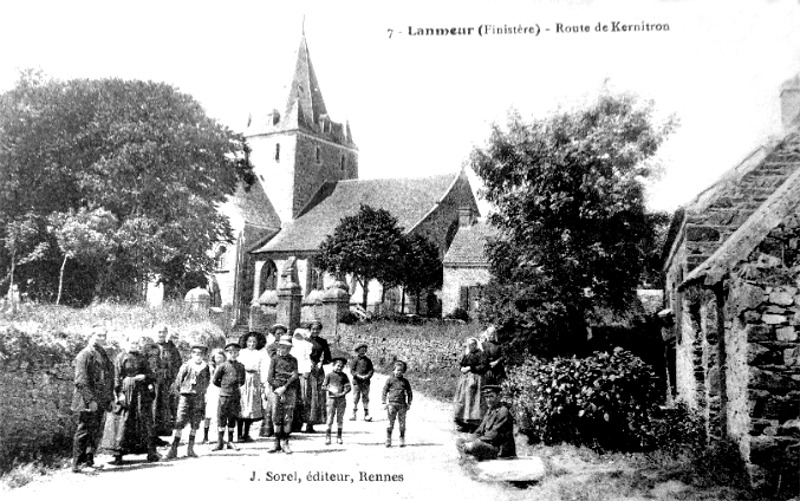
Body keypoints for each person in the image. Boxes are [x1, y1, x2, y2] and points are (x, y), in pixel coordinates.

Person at [101, 334, 160, 465]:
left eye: (136, 343)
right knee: (122, 420)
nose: (134, 345)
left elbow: (151, 374)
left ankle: (150, 453)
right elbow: (116, 376)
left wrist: (144, 376)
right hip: (126, 392)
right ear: (126, 343)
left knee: (144, 420)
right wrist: (119, 393)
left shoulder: (141, 357)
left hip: (141, 393)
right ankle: (118, 455)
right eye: (131, 343)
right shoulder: (121, 357)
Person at [71, 324, 115, 473]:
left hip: (101, 399)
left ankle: (89, 460)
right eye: (99, 335)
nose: (102, 338)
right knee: (83, 430)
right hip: (88, 400)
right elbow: (80, 381)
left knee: (95, 430)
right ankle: (77, 464)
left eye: (104, 335)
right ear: (91, 336)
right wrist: (90, 400)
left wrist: (109, 398)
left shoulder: (102, 353)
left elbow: (109, 376)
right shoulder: (84, 355)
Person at [166, 344, 211, 459]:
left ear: (204, 356)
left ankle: (190, 448)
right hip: (185, 397)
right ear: (192, 354)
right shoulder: (186, 366)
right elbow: (178, 382)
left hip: (198, 397)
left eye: (201, 354)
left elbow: (207, 381)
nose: (198, 356)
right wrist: (182, 392)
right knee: (180, 421)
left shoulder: (205, 367)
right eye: (195, 353)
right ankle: (174, 448)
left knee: (195, 422)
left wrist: (201, 391)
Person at [456, 385, 516, 461]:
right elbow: (480, 430)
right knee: (460, 441)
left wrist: (475, 442)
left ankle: (469, 457)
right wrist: (470, 438)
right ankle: (467, 457)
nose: (488, 400)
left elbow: (493, 435)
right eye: (486, 397)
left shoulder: (503, 412)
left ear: (498, 396)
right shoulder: (491, 410)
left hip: (500, 450)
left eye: (491, 396)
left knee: (475, 445)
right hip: (489, 444)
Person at [267, 334, 299, 454]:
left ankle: (285, 442)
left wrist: (285, 387)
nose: (284, 350)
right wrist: (278, 388)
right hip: (276, 390)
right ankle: (276, 442)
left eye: (287, 348)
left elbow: (295, 376)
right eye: (282, 347)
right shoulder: (274, 359)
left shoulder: (293, 360)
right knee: (276, 416)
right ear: (278, 347)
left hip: (289, 389)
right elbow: (270, 377)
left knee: (287, 416)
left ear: (290, 349)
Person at [211, 342, 245, 451]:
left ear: (238, 354)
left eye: (235, 352)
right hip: (224, 396)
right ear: (227, 353)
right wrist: (224, 387)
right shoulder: (222, 366)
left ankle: (230, 441)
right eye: (230, 352)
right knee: (221, 418)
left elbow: (243, 381)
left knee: (232, 418)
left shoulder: (240, 366)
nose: (233, 354)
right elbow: (215, 381)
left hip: (235, 396)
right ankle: (220, 442)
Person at [152, 324, 182, 441]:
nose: (161, 334)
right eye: (159, 332)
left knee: (164, 407)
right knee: (153, 407)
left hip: (166, 382)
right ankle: (151, 435)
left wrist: (174, 382)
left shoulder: (172, 348)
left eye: (164, 332)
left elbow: (177, 365)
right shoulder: (150, 347)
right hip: (153, 383)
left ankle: (159, 434)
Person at [237, 331, 268, 442]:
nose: (251, 344)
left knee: (251, 407)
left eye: (254, 342)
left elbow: (263, 368)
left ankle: (247, 434)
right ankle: (239, 434)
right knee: (242, 405)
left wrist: (263, 383)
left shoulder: (260, 354)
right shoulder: (241, 352)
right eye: (249, 341)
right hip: (243, 379)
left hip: (254, 380)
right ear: (246, 342)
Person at [453, 337, 488, 432]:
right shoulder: (467, 354)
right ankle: (463, 423)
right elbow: (462, 364)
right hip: (465, 380)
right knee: (464, 400)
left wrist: (470, 368)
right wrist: (462, 368)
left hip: (476, 379)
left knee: (474, 401)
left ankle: (473, 425)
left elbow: (483, 366)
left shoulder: (481, 354)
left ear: (476, 344)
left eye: (472, 344)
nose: (471, 346)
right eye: (469, 345)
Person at [259, 323, 286, 438]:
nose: (280, 335)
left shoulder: (287, 345)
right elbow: (275, 360)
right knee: (272, 404)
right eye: (278, 334)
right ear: (274, 335)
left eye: (282, 333)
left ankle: (284, 430)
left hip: (285, 377)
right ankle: (267, 429)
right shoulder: (271, 347)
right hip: (274, 375)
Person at [305, 320, 331, 433]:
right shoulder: (305, 340)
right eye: (313, 329)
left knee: (318, 396)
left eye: (317, 329)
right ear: (309, 330)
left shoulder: (323, 342)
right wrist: (308, 362)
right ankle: (300, 422)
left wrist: (322, 362)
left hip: (319, 371)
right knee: (307, 394)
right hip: (307, 369)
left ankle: (311, 424)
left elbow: (328, 357)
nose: (315, 331)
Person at [382, 360, 413, 448]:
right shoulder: (389, 380)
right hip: (391, 405)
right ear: (393, 370)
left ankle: (402, 439)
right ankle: (388, 439)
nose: (399, 372)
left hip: (402, 405)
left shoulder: (405, 382)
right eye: (397, 370)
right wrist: (384, 402)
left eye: (401, 371)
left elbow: (409, 392)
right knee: (390, 423)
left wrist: (409, 403)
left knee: (402, 424)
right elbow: (384, 391)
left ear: (403, 372)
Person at [323, 357, 352, 445]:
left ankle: (339, 437)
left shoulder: (344, 376)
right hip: (331, 399)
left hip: (341, 399)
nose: (339, 368)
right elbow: (323, 386)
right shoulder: (329, 375)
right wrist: (331, 389)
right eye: (338, 366)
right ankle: (328, 437)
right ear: (333, 365)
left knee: (340, 419)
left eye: (341, 366)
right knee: (330, 418)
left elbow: (348, 387)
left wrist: (343, 393)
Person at [290, 328, 313, 433]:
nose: (298, 336)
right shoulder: (291, 344)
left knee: (302, 399)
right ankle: (290, 424)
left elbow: (307, 358)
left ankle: (298, 424)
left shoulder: (306, 345)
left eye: (300, 335)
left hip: (302, 373)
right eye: (297, 334)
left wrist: (307, 371)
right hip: (291, 374)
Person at [202, 348, 226, 443]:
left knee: (220, 413)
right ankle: (205, 436)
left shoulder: (225, 366)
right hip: (212, 389)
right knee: (209, 413)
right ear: (213, 358)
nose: (219, 359)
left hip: (222, 390)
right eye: (217, 357)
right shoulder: (210, 368)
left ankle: (220, 437)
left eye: (221, 357)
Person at [349, 344, 374, 422]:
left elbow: (371, 370)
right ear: (358, 351)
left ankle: (366, 414)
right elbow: (352, 370)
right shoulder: (355, 360)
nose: (363, 352)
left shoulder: (368, 360)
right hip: (357, 382)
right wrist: (358, 375)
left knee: (365, 397)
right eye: (361, 350)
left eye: (364, 350)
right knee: (356, 397)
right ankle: (353, 413)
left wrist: (367, 376)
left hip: (366, 382)